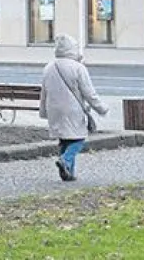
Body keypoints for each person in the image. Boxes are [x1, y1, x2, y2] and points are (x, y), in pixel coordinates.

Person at [39, 34, 108, 181]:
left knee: (65, 139)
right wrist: (101, 108)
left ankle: (68, 172)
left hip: (54, 109)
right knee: (78, 138)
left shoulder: (49, 67)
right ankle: (65, 160)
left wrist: (43, 111)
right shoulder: (78, 68)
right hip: (72, 109)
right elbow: (89, 93)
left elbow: (44, 92)